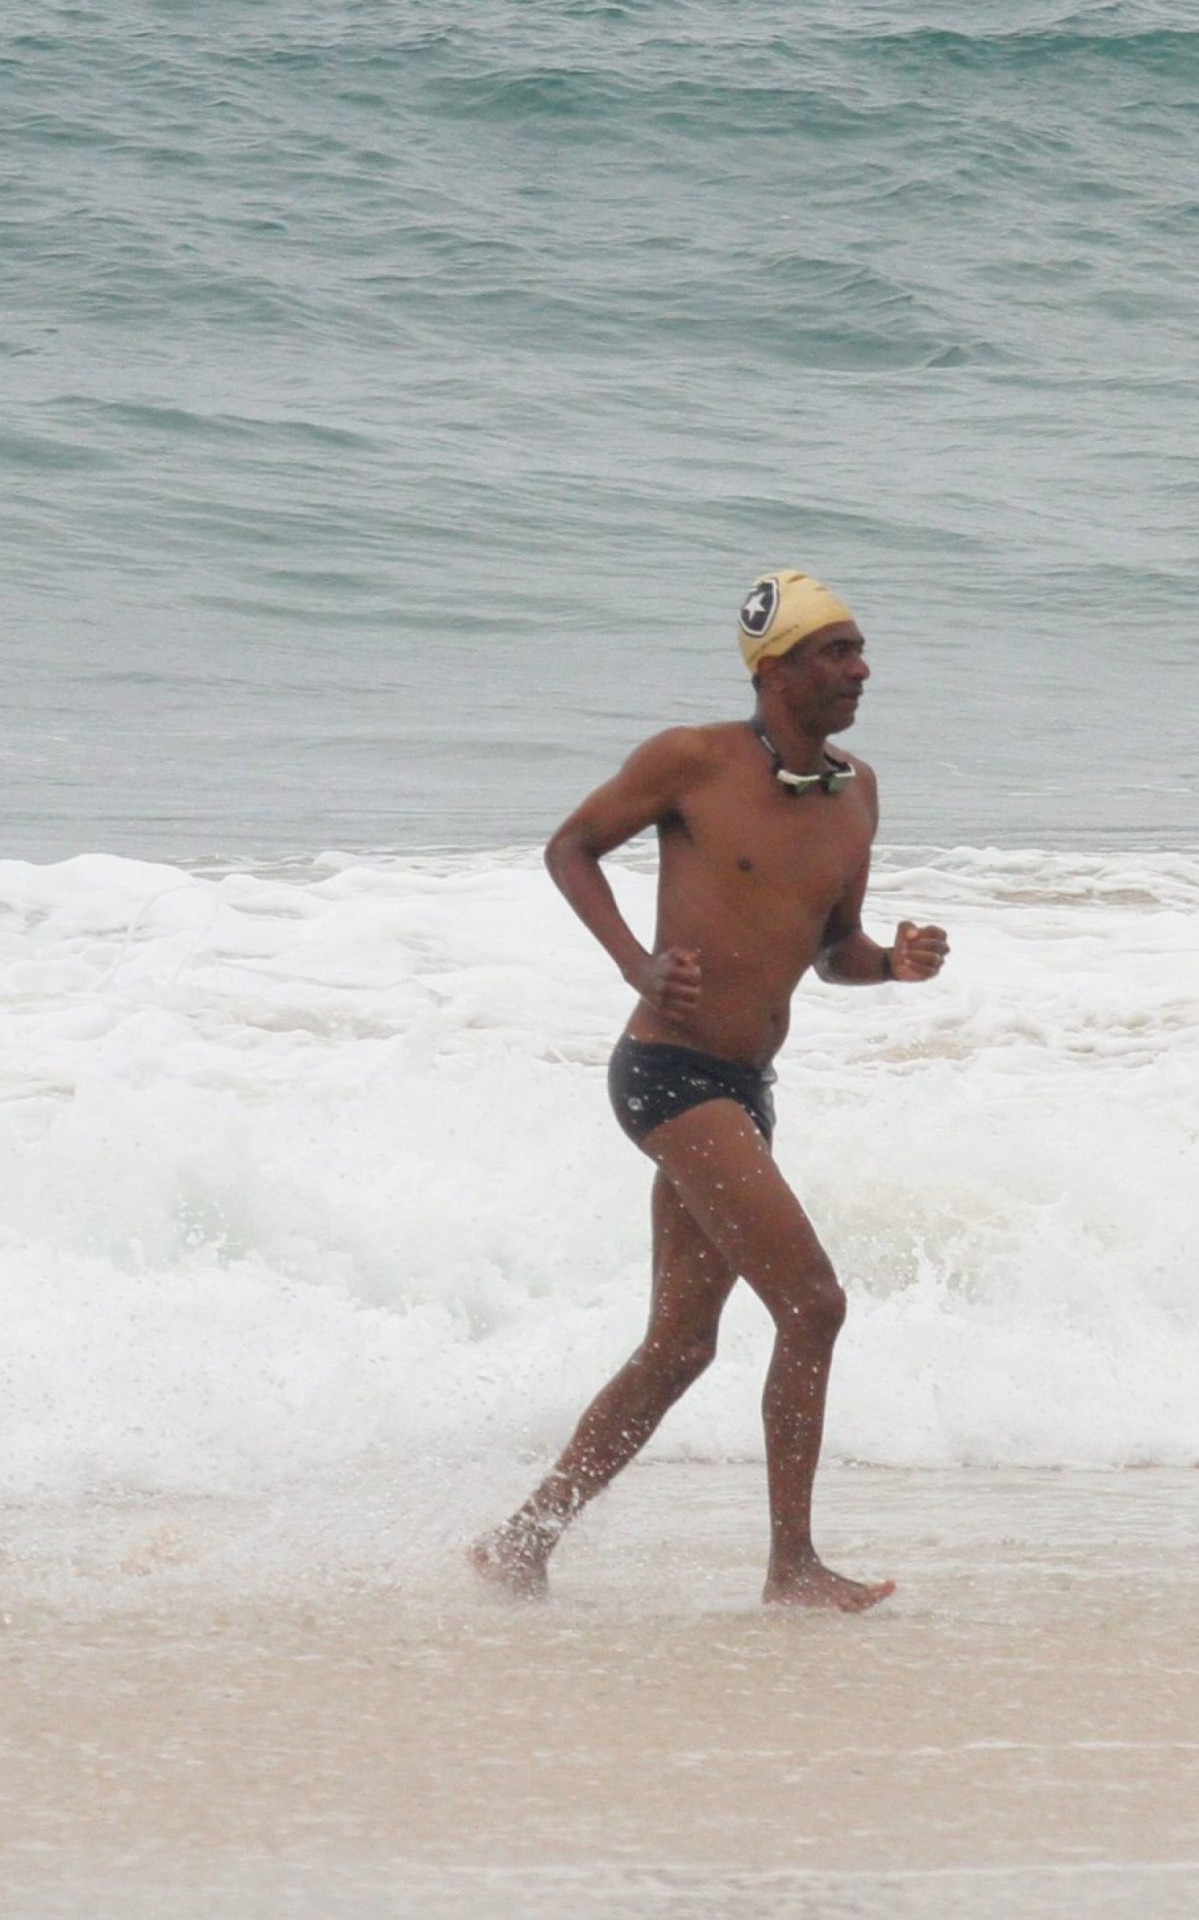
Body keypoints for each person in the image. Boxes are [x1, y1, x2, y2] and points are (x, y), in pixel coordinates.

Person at [471, 568, 949, 1610]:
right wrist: (634, 963)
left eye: (861, 649)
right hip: (667, 1074)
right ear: (774, 671)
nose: (860, 669)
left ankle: (520, 1540)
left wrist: (893, 962)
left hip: (745, 1086)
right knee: (812, 1305)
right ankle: (791, 1568)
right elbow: (570, 848)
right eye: (836, 653)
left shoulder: (855, 790)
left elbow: (832, 953)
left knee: (680, 1345)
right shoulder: (690, 762)